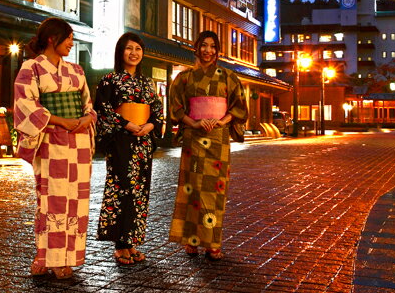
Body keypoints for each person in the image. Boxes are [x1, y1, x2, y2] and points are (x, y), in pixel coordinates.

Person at [14, 17, 96, 278]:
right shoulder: (32, 67)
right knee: (50, 201)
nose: (72, 43)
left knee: (76, 201)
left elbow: (88, 104)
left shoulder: (77, 70)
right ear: (52, 38)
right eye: (68, 37)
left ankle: (66, 259)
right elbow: (25, 105)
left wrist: (86, 118)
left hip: (79, 142)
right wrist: (62, 121)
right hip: (51, 141)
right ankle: (44, 257)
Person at [169, 30, 248, 259]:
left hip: (218, 138)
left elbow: (238, 106)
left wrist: (221, 120)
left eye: (213, 46)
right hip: (194, 136)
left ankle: (213, 243)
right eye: (204, 45)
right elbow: (176, 109)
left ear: (218, 51)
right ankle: (192, 240)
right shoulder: (183, 78)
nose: (208, 51)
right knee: (192, 189)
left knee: (216, 190)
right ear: (196, 47)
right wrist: (193, 122)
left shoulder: (228, 77)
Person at [94, 33, 164, 266]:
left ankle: (132, 241)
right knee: (122, 187)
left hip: (142, 142)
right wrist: (126, 124)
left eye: (138, 49)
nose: (134, 53)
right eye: (128, 48)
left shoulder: (147, 83)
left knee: (140, 191)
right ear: (120, 52)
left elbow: (156, 109)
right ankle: (120, 245)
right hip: (121, 141)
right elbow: (103, 109)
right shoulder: (110, 80)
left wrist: (151, 125)